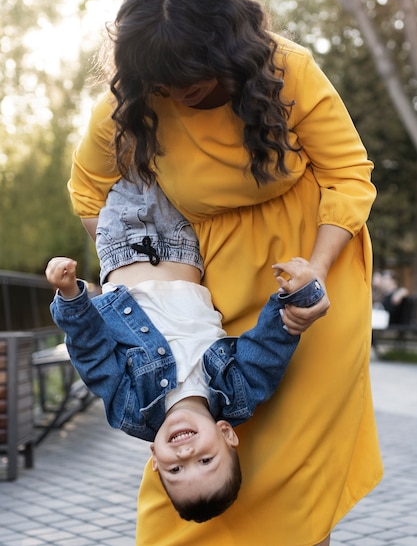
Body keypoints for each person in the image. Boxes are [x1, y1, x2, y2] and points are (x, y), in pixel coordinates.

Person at [68, 0, 383, 546]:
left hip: (306, 280)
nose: (177, 93)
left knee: (295, 476)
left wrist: (314, 274)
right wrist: (135, 277)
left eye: (189, 77)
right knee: (183, 488)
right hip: (200, 287)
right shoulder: (135, 99)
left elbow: (349, 174)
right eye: (162, 82)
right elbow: (88, 190)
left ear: (232, 47)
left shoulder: (289, 70)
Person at [46, 171, 324, 523]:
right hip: (182, 245)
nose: (186, 453)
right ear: (226, 435)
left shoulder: (130, 408)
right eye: (205, 461)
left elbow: (92, 353)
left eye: (175, 470)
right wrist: (298, 294)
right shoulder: (238, 392)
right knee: (164, 153)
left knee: (122, 157)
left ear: (155, 459)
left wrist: (71, 298)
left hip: (119, 249)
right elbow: (268, 348)